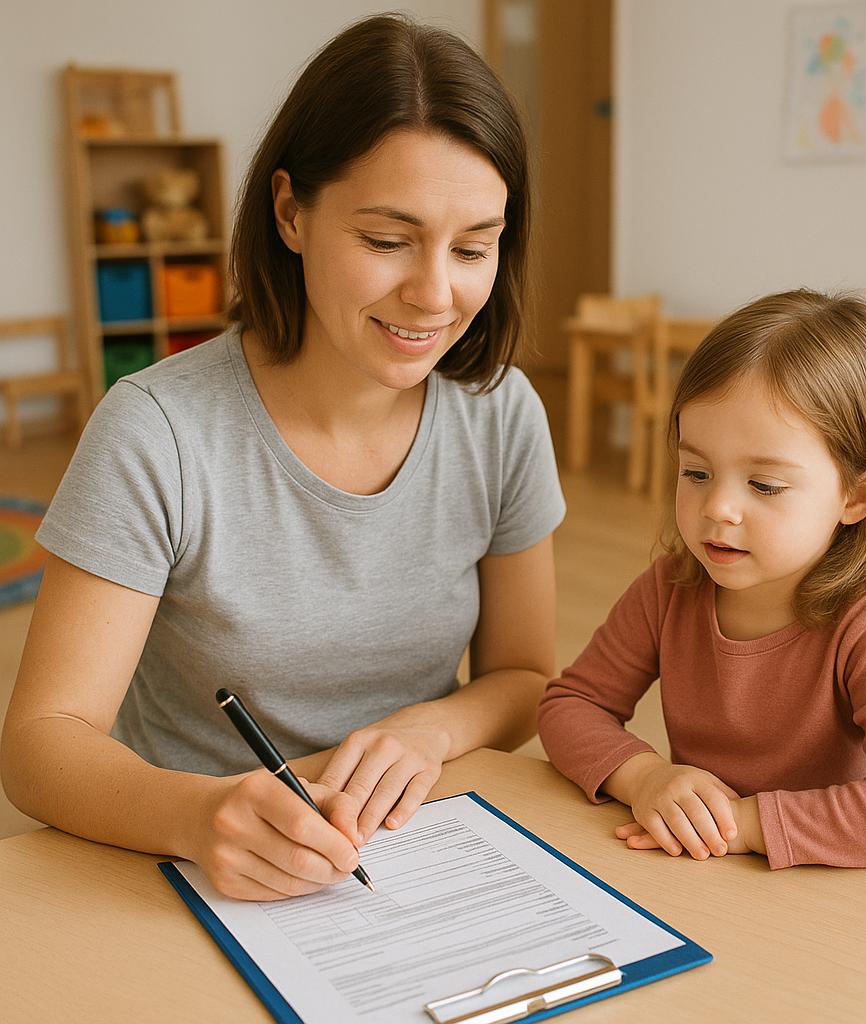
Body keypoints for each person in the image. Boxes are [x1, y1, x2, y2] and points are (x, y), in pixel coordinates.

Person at [1, 14, 564, 900]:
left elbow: (525, 679)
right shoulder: (157, 431)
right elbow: (40, 745)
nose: (434, 293)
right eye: (386, 241)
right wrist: (197, 814)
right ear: (291, 212)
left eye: (472, 247)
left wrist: (433, 729)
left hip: (417, 850)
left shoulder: (502, 414)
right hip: (183, 867)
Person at [537, 289, 866, 869]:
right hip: (700, 875)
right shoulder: (669, 588)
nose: (718, 507)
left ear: (857, 495)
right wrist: (642, 776)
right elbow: (570, 704)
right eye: (696, 471)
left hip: (821, 895)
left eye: (764, 485)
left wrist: (743, 823)